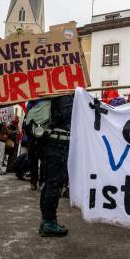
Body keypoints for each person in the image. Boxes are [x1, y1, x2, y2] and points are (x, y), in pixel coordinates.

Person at [39, 95, 73, 237]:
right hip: (58, 144)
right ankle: (49, 223)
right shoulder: (65, 94)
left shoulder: (55, 93)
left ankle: (47, 220)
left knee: (50, 183)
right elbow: (67, 114)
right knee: (54, 183)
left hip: (51, 143)